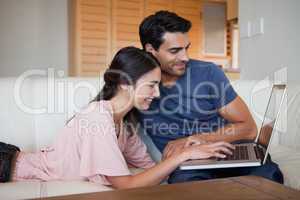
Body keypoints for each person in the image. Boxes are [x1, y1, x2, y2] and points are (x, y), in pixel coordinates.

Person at [0, 47, 234, 189]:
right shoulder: (97, 118)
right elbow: (126, 185)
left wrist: (188, 145)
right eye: (152, 85)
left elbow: (151, 170)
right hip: (8, 166)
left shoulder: (124, 124)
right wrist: (184, 155)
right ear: (125, 82)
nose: (158, 94)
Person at [138, 11, 284, 184]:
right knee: (185, 188)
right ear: (150, 50)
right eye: (174, 51)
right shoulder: (134, 80)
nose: (184, 57)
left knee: (268, 179)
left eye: (186, 48)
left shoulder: (207, 72)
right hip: (188, 164)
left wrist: (195, 140)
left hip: (229, 150)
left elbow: (249, 129)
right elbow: (106, 109)